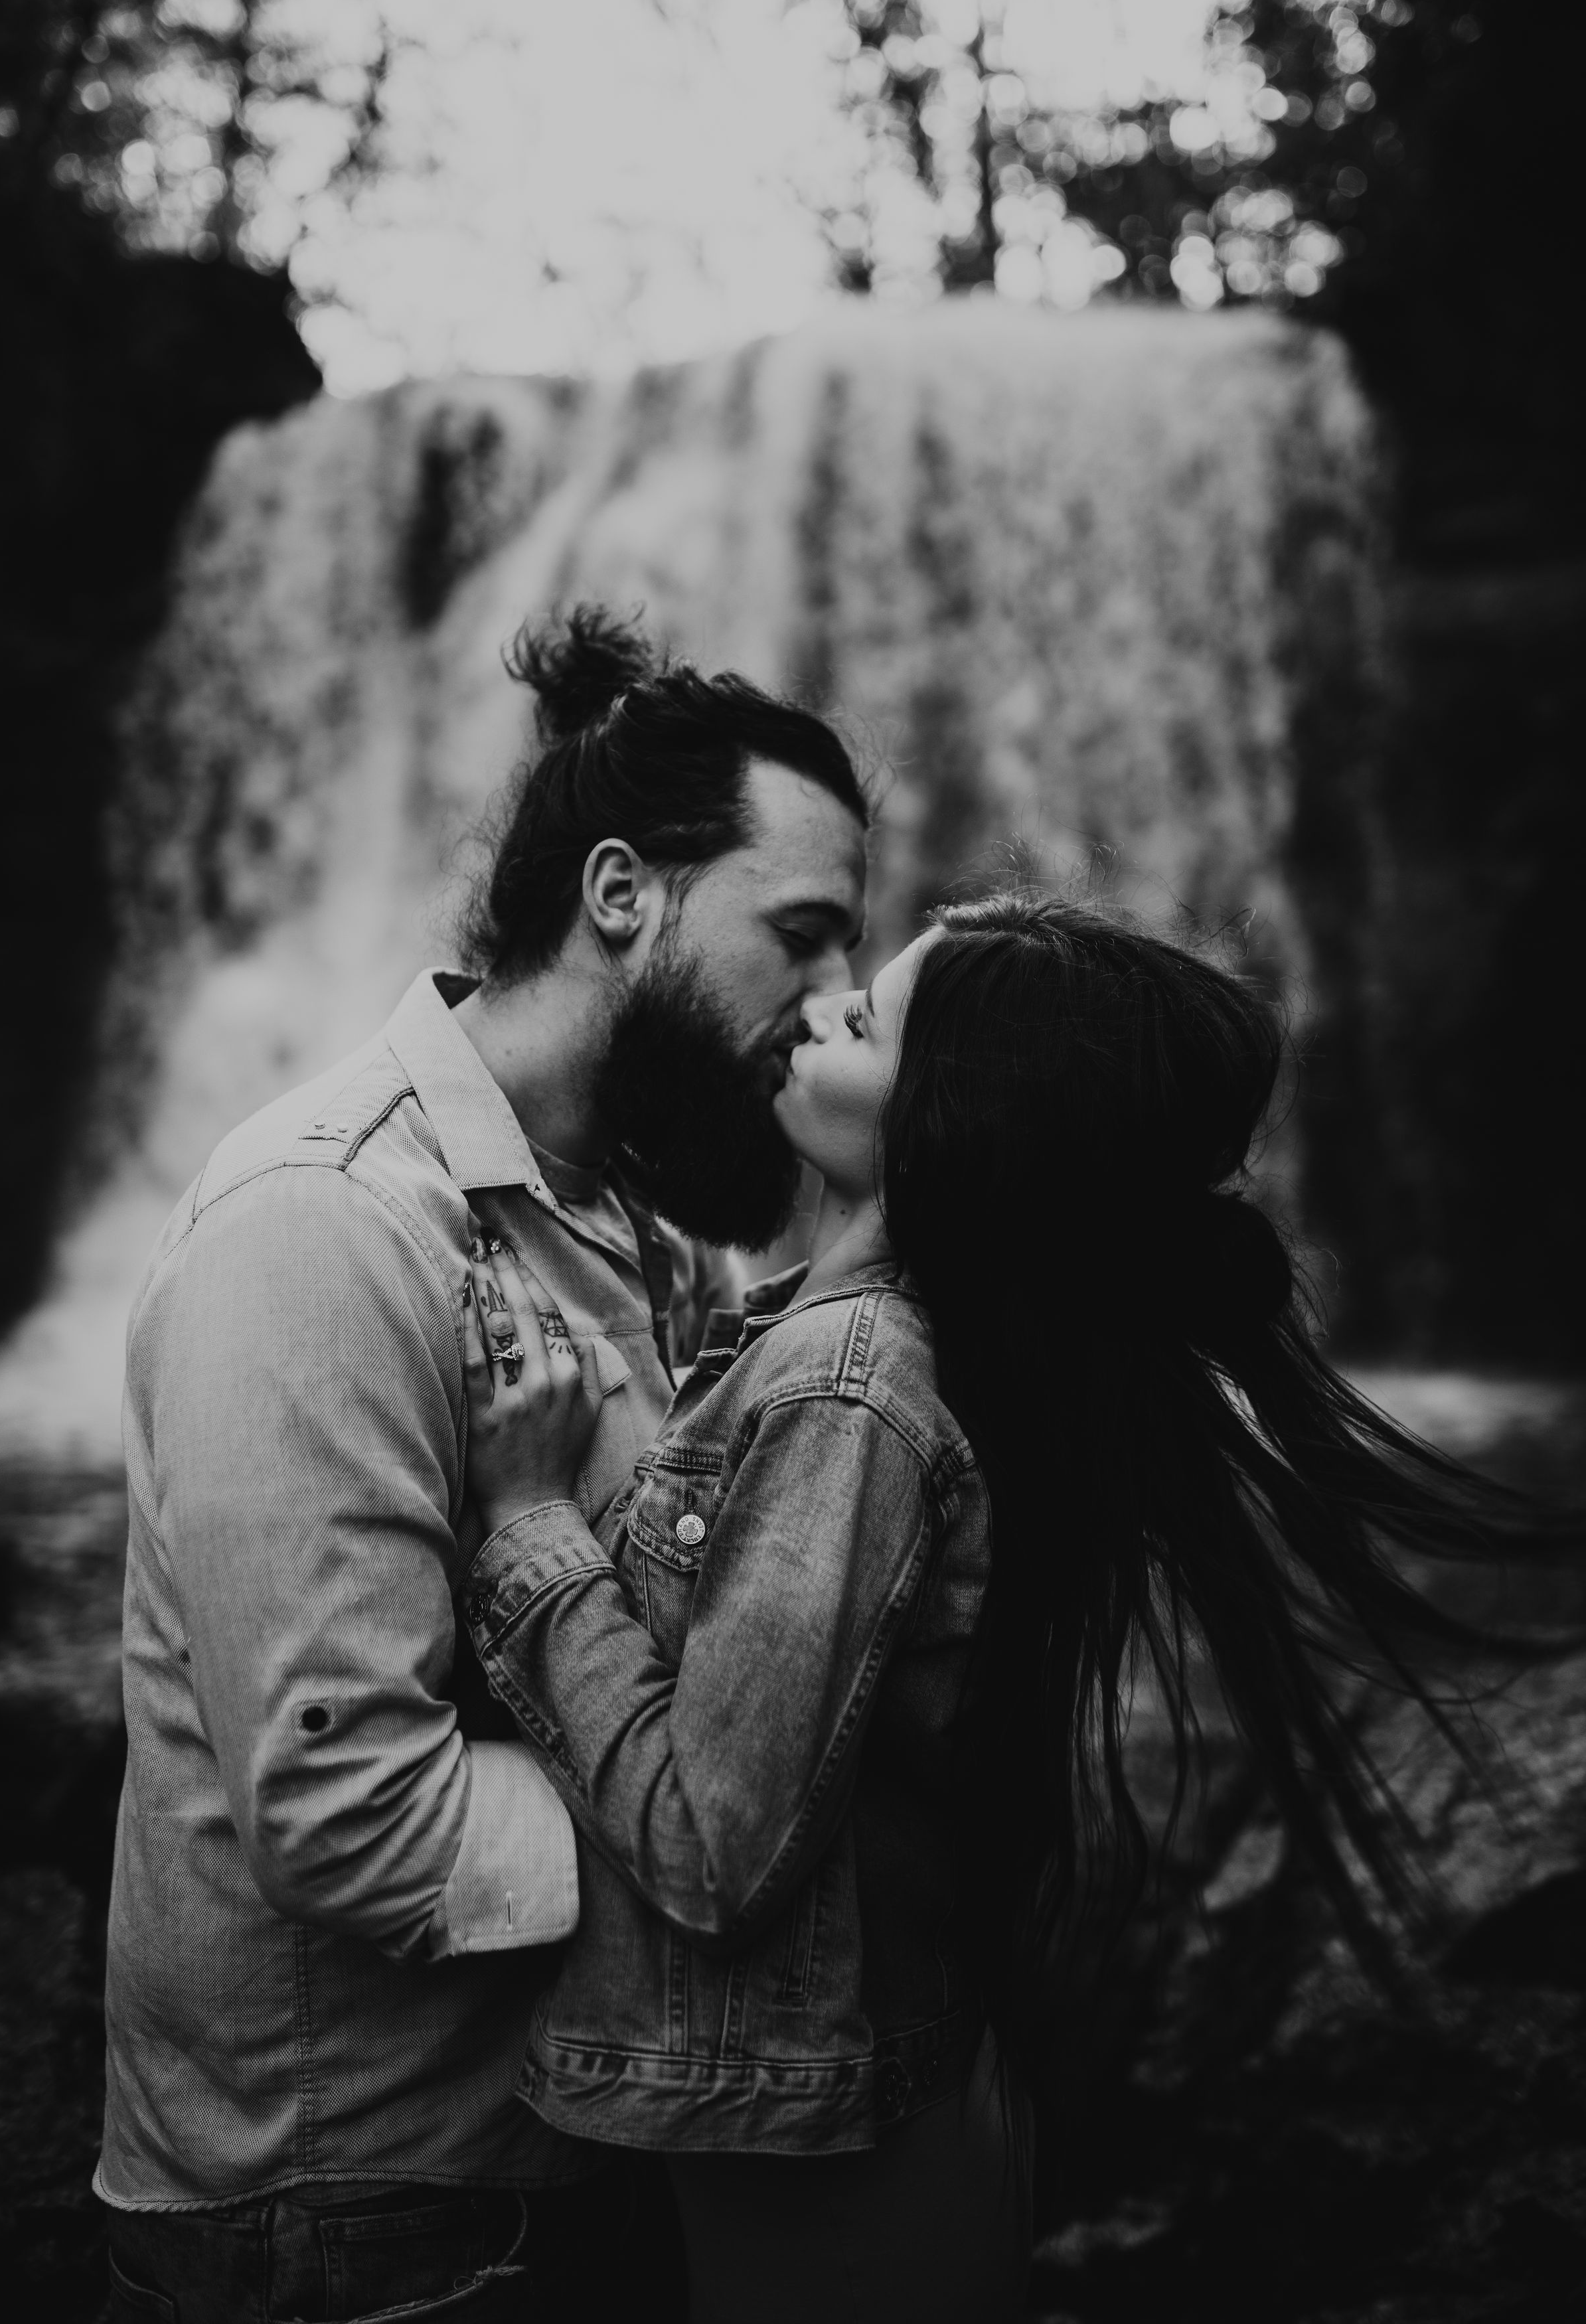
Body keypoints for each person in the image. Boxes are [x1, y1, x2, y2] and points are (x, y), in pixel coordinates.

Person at [451, 886, 1566, 2324]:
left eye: (877, 1022)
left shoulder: (853, 1388)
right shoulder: (880, 1348)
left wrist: (533, 1524)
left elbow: (714, 1842)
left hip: (818, 2168)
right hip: (882, 2115)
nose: (825, 1005)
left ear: (963, 1125)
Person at [97, 606, 870, 2323]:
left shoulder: (645, 1228)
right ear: (622, 895)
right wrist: (746, 1853)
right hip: (356, 2206)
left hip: (560, 2152)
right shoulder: (325, 1225)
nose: (832, 1014)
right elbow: (347, 1811)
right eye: (801, 938)